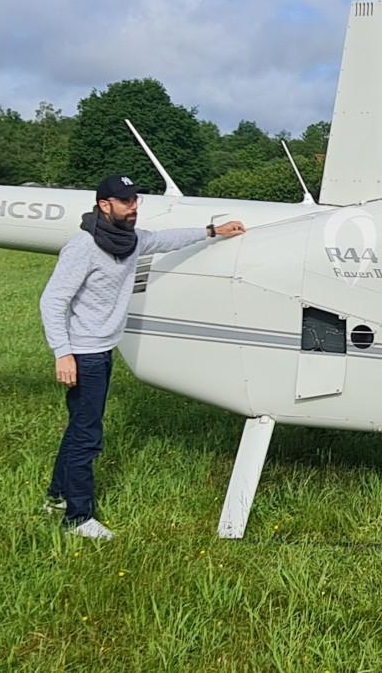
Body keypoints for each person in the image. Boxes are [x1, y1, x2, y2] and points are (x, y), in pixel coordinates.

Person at [39, 175, 246, 540]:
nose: (133, 208)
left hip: (101, 349)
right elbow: (53, 301)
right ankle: (77, 518)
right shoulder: (83, 247)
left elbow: (166, 239)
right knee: (88, 435)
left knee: (79, 427)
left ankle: (57, 496)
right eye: (126, 202)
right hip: (84, 353)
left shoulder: (130, 241)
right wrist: (63, 353)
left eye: (135, 201)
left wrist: (214, 231)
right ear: (105, 206)